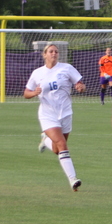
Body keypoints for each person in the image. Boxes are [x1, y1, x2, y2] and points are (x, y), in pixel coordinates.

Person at [25, 44, 86, 191]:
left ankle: (45, 140)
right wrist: (34, 93)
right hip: (47, 114)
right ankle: (73, 179)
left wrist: (80, 87)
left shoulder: (66, 68)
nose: (54, 54)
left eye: (56, 52)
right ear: (44, 54)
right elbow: (26, 92)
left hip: (65, 113)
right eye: (51, 51)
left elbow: (80, 84)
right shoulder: (37, 73)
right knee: (62, 144)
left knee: (57, 149)